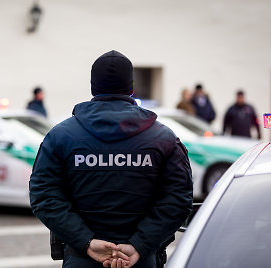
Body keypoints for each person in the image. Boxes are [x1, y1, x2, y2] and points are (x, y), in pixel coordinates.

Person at [29, 50, 193, 268]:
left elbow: (44, 194)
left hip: (81, 259)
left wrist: (86, 242)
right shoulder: (163, 138)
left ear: (93, 87)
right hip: (141, 260)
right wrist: (139, 245)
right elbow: (179, 198)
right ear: (131, 87)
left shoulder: (60, 136)